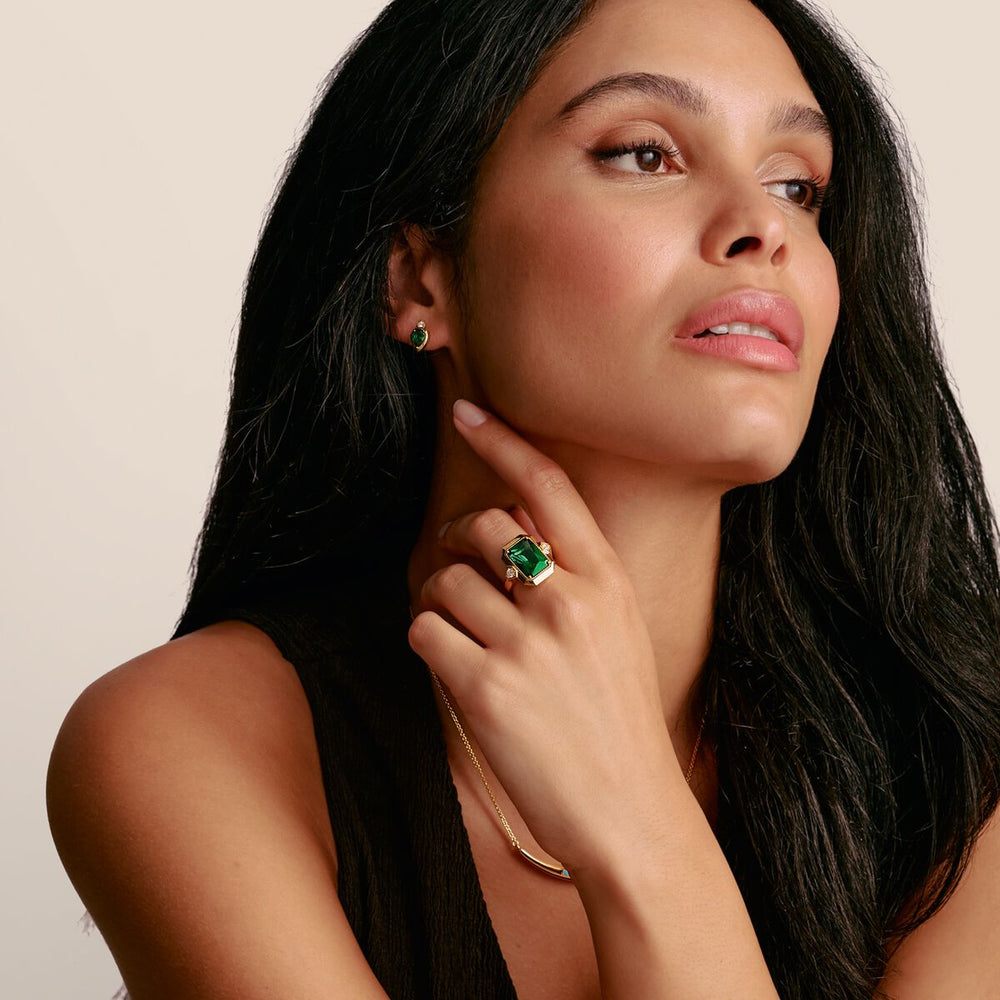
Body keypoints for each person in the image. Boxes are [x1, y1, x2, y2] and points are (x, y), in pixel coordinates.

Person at [45, 0, 1000, 997]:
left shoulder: (959, 762)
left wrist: (636, 823)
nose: (763, 227)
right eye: (644, 154)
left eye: (797, 185)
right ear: (421, 278)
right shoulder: (192, 742)